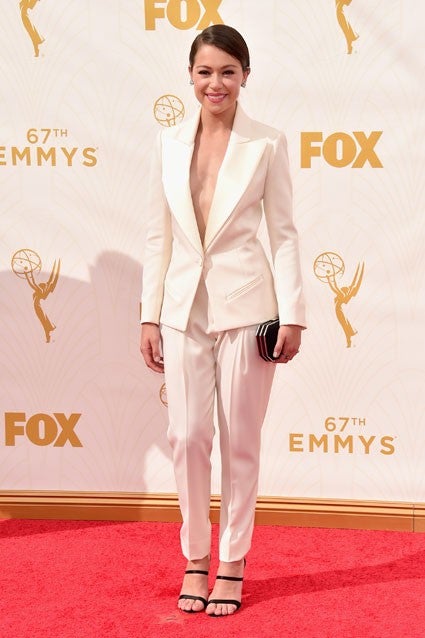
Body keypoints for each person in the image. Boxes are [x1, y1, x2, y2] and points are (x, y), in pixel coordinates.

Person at [140, 24, 306, 617]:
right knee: (187, 438)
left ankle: (232, 562)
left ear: (245, 76)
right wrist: (149, 315)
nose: (216, 83)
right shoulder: (167, 142)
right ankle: (194, 556)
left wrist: (294, 314)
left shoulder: (266, 143)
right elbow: (158, 235)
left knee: (240, 442)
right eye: (206, 71)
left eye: (228, 72)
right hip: (182, 307)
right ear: (190, 75)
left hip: (248, 306)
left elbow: (284, 235)